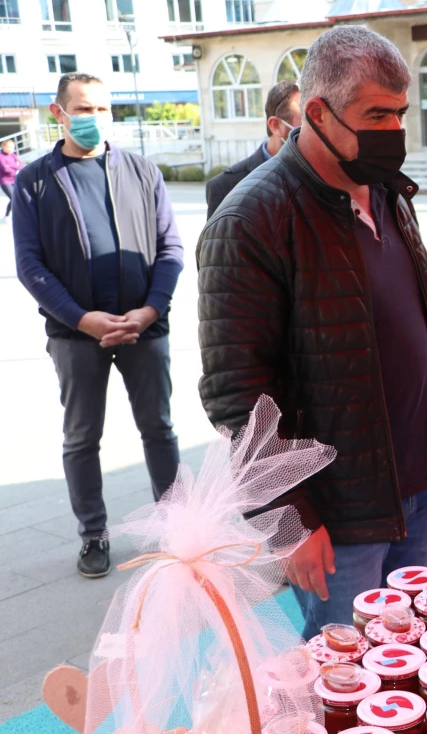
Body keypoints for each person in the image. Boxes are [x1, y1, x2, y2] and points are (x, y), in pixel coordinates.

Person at [197, 26, 427, 640]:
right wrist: (288, 523)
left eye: (400, 114)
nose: (394, 131)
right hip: (337, 514)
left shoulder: (386, 192)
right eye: (376, 114)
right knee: (343, 681)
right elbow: (237, 394)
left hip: (415, 490)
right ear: (315, 112)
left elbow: (422, 324)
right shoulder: (251, 220)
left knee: (410, 653)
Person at [12, 73, 183, 578]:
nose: (96, 119)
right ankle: (94, 534)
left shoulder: (141, 171)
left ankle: (176, 528)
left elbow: (170, 250)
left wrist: (150, 310)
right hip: (76, 337)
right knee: (82, 437)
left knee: (159, 428)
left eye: (105, 109)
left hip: (144, 328)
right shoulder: (34, 181)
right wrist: (81, 319)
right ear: (58, 113)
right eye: (85, 109)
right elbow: (30, 265)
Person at [204, 79, 302, 218]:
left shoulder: (325, 177)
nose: (315, 129)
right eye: (305, 120)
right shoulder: (226, 186)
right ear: (275, 125)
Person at [1, 137, 23, 219]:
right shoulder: (1, 156)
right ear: (4, 146)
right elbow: (5, 169)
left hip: (14, 179)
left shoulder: (13, 156)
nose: (11, 149)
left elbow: (21, 166)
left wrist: (10, 165)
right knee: (13, 197)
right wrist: (15, 166)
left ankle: (6, 215)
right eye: (9, 147)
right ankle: (10, 215)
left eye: (13, 147)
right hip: (5, 181)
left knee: (17, 197)